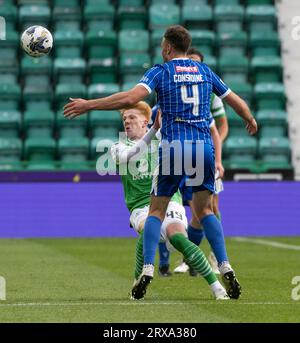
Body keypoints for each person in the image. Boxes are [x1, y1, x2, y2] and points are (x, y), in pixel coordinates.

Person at [63, 25, 257, 300]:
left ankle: (149, 268)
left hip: (174, 146)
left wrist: (88, 105)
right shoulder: (204, 71)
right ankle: (224, 264)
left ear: (167, 47)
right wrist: (249, 118)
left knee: (156, 211)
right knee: (205, 211)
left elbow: (131, 98)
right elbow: (235, 101)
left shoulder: (161, 71)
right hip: (203, 146)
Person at [110, 101, 229, 300]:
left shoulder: (164, 139)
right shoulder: (118, 146)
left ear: (145, 121)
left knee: (179, 239)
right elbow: (129, 155)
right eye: (124, 119)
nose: (127, 122)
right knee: (148, 226)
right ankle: (137, 282)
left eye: (132, 118)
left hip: (170, 200)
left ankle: (217, 287)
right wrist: (154, 130)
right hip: (140, 206)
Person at [174, 47, 229, 276]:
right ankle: (192, 258)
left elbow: (220, 126)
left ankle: (216, 258)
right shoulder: (175, 87)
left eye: (196, 62)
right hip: (181, 150)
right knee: (194, 209)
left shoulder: (210, 91)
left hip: (203, 150)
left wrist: (218, 156)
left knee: (210, 206)